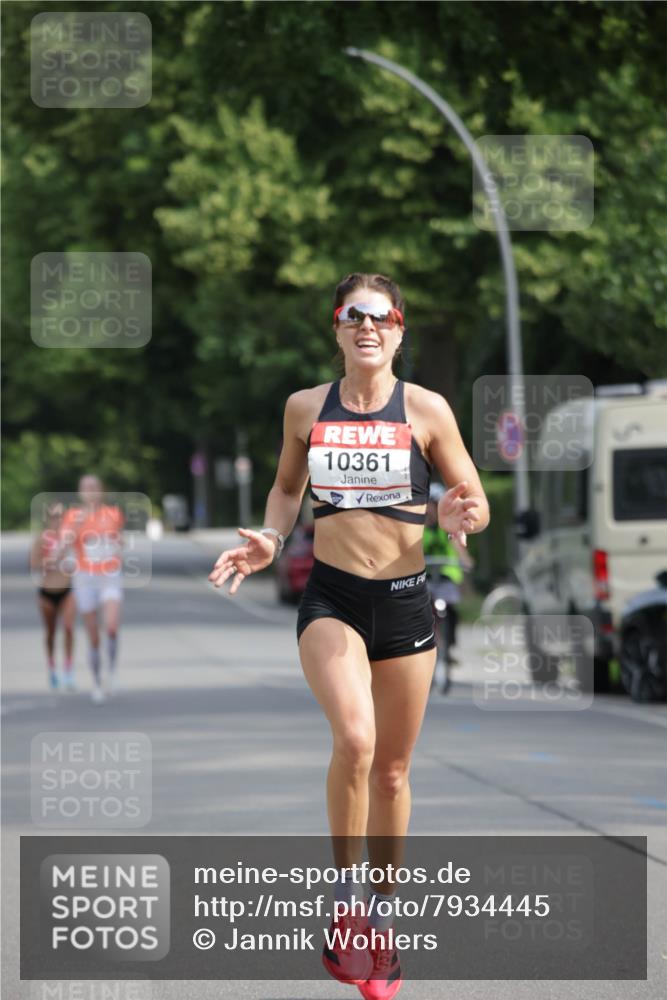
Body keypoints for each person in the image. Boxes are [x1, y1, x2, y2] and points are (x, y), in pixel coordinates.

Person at [209, 273, 489, 999]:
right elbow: (286, 488)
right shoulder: (306, 407)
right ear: (336, 328)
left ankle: (383, 920)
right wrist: (271, 538)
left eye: (381, 316)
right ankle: (345, 908)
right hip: (332, 599)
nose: (368, 326)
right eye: (353, 315)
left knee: (392, 772)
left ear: (399, 330)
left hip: (405, 602)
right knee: (356, 741)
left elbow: (473, 497)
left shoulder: (426, 409)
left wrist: (460, 514)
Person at [58, 475, 125, 704]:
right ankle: (97, 681)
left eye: (94, 487)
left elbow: (119, 541)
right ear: (80, 492)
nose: (90, 491)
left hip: (110, 575)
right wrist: (74, 529)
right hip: (85, 577)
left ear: (101, 490)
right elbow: (62, 547)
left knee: (112, 627)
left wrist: (116, 546)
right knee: (93, 635)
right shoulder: (72, 516)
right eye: (86, 487)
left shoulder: (113, 514)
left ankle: (112, 672)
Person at [423, 482, 473, 667]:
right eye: (429, 505)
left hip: (447, 574)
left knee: (450, 609)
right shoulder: (420, 528)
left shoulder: (447, 526)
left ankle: (449, 646)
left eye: (433, 505)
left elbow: (457, 545)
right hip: (427, 574)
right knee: (423, 609)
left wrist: (466, 560)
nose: (430, 509)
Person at [30, 501, 76, 690]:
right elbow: (33, 564)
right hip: (47, 592)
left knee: (68, 628)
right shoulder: (41, 539)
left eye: (62, 516)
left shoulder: (71, 539)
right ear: (48, 519)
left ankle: (68, 671)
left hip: (68, 590)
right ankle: (52, 668)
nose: (58, 520)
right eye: (55, 517)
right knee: (51, 633)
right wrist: (51, 560)